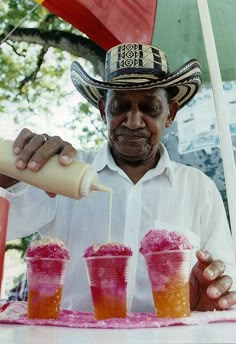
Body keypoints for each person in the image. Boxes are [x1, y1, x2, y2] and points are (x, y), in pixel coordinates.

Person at [1, 43, 236, 312]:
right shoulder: (60, 176)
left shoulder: (198, 189)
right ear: (103, 110)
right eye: (120, 107)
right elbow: (5, 227)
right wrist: (10, 174)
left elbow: (225, 284)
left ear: (170, 113)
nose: (134, 121)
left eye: (149, 108)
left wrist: (213, 296)